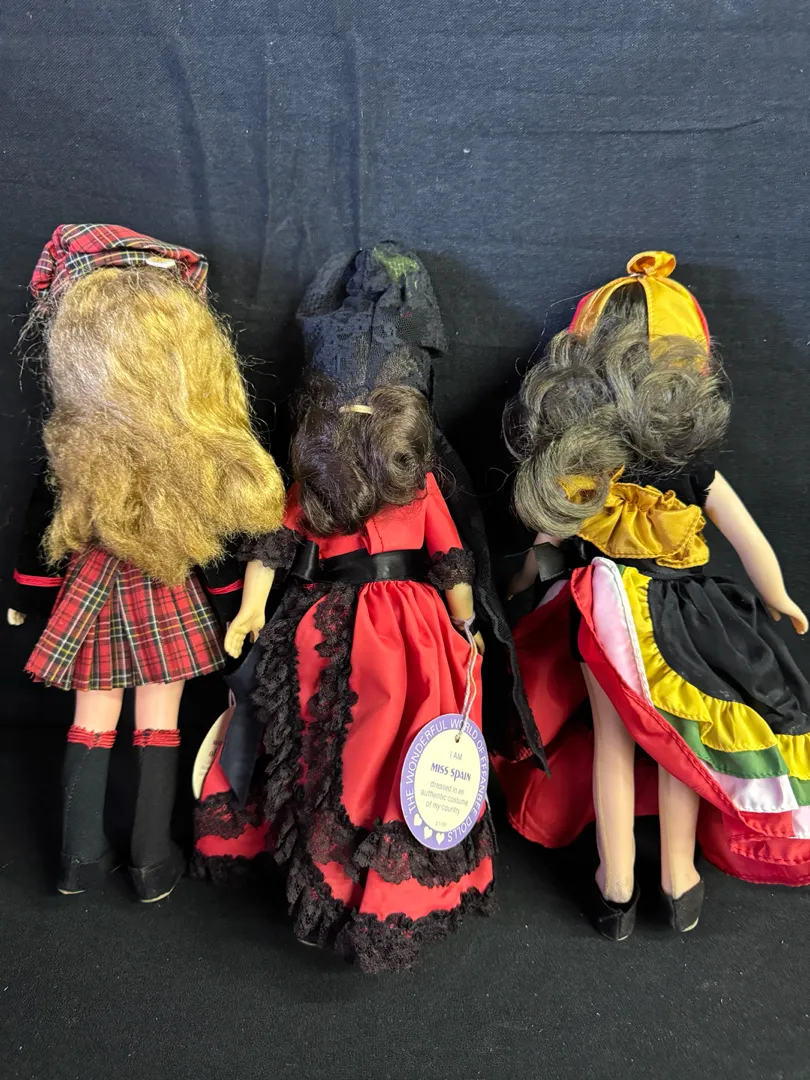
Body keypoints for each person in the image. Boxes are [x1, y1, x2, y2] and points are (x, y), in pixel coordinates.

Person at [194, 243, 501, 972]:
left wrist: (464, 620)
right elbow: (272, 544)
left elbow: (451, 557)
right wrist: (250, 611)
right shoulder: (315, 481)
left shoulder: (418, 482)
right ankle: (328, 880)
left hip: (411, 633)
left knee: (401, 747)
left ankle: (381, 886)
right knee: (326, 751)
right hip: (331, 623)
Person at [495, 250, 809, 939]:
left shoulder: (589, 464)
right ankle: (677, 876)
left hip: (608, 611)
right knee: (676, 744)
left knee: (618, 744)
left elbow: (545, 542)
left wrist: (518, 588)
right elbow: (749, 539)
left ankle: (618, 884)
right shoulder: (691, 469)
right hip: (678, 616)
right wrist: (778, 595)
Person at [8, 224, 284, 902]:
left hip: (94, 593)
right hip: (167, 593)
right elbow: (215, 540)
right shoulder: (185, 444)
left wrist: (31, 596)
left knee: (93, 720)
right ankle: (151, 858)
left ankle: (80, 857)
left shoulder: (77, 441)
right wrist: (230, 600)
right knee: (157, 721)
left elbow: (45, 525)